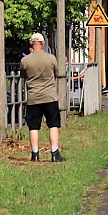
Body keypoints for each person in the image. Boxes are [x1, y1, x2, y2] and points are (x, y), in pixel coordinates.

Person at [20, 33, 64, 162]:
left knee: (33, 126)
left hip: (33, 97)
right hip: (50, 96)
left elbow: (23, 75)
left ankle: (35, 154)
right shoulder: (51, 58)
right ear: (43, 44)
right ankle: (55, 153)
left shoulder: (25, 60)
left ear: (31, 44)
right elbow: (56, 73)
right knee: (53, 124)